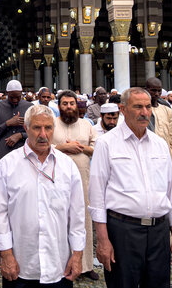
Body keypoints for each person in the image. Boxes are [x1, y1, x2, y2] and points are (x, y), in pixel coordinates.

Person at [89, 87, 172, 288]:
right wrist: (103, 240)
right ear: (123, 109)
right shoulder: (106, 143)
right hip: (123, 231)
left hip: (158, 230)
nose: (144, 112)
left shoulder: (160, 145)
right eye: (138, 107)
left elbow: (171, 193)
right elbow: (97, 195)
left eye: (148, 107)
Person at [0, 104, 85, 287]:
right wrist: (6, 255)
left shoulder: (67, 166)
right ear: (26, 128)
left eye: (48, 128)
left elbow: (77, 215)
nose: (43, 134)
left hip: (58, 265)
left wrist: (77, 255)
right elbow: (0, 215)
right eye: (37, 128)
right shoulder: (7, 166)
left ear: (53, 128)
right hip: (21, 265)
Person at [51, 90, 97, 280]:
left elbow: (98, 148)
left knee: (84, 219)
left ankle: (86, 265)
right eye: (65, 104)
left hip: (83, 178)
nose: (69, 107)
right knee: (59, 219)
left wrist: (81, 148)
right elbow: (41, 145)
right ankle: (61, 264)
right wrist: (63, 148)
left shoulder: (87, 125)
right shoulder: (51, 125)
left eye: (71, 104)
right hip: (56, 180)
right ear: (59, 106)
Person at [0, 80, 33, 167]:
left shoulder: (29, 107)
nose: (15, 100)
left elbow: (35, 134)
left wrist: (20, 135)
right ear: (6, 93)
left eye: (18, 97)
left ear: (21, 93)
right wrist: (7, 124)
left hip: (24, 153)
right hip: (3, 153)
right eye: (12, 97)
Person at [146, 77, 172, 159]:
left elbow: (171, 134)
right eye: (153, 90)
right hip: (148, 153)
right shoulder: (142, 110)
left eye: (159, 91)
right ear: (146, 90)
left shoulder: (166, 109)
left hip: (165, 153)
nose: (156, 94)